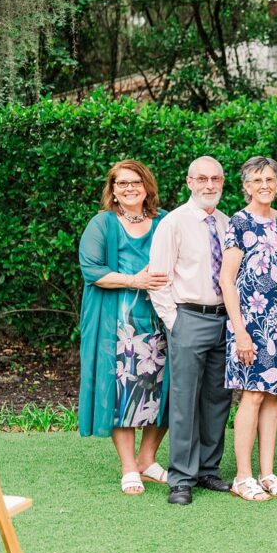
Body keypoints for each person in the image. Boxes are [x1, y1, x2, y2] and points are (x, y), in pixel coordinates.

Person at [78, 160, 170, 495]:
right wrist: (135, 280)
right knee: (123, 392)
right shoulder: (102, 224)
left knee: (162, 390)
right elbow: (92, 270)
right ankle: (128, 466)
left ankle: (147, 459)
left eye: (135, 182)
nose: (129, 189)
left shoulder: (164, 221)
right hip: (117, 325)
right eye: (121, 184)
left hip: (161, 320)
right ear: (112, 191)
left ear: (147, 186)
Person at [149, 156, 234, 505]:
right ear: (189, 182)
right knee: (184, 401)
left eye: (215, 178)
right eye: (202, 178)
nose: (209, 185)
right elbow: (158, 278)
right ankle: (181, 478)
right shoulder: (173, 223)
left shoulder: (229, 223)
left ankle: (208, 470)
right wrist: (176, 323)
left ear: (223, 182)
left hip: (224, 319)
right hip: (189, 318)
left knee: (217, 399)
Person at [219, 157, 277, 501]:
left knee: (272, 397)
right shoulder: (238, 221)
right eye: (256, 180)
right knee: (251, 395)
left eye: (270, 178)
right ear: (246, 186)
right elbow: (227, 279)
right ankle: (242, 476)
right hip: (250, 323)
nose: (264, 184)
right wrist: (241, 331)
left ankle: (267, 472)